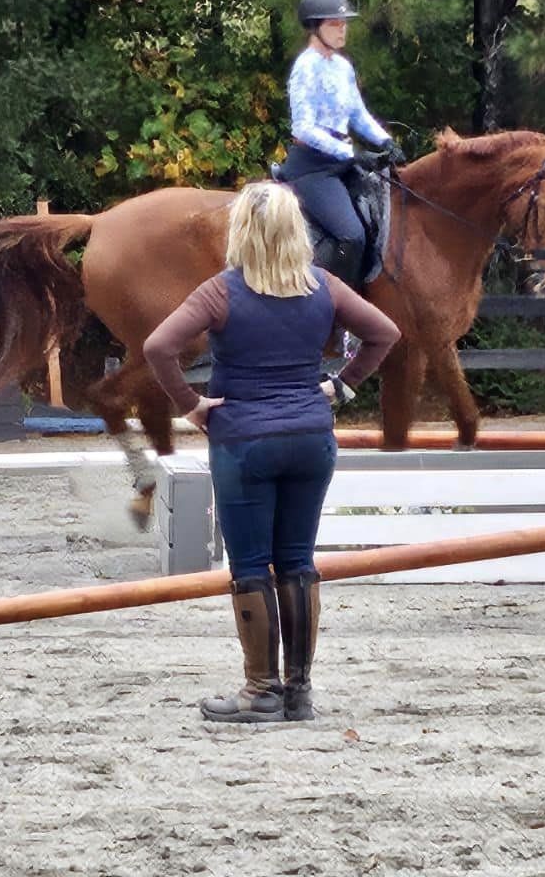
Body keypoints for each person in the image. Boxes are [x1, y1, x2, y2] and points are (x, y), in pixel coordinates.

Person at [144, 182, 400, 724]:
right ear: (296, 231)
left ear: (242, 230)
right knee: (299, 561)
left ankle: (261, 691)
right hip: (311, 438)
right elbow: (385, 332)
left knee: (251, 564)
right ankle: (299, 693)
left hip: (244, 442)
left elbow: (158, 347)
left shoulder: (221, 292)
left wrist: (190, 404)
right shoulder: (324, 286)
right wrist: (343, 386)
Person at [276, 0, 405, 287]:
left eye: (344, 23)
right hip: (312, 168)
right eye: (335, 24)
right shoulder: (305, 68)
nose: (342, 29)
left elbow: (358, 115)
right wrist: (352, 154)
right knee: (351, 234)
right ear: (314, 27)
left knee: (379, 226)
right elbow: (303, 128)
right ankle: (327, 308)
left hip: (340, 163)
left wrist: (385, 141)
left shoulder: (343, 67)